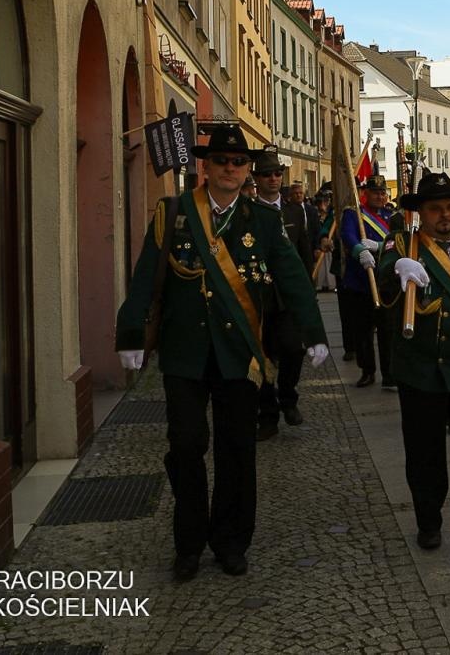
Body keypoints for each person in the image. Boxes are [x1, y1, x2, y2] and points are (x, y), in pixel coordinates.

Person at [115, 124, 330, 581]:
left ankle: (232, 541)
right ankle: (188, 543)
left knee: (237, 450)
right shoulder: (172, 214)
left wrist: (314, 332)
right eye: (221, 162)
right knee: (187, 446)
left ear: (247, 170)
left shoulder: (265, 221)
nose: (229, 169)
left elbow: (292, 278)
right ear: (205, 166)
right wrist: (131, 331)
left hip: (239, 355)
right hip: (185, 352)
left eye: (238, 163)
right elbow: (146, 273)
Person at [377, 170, 450, 550]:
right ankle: (428, 520)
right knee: (424, 453)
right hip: (419, 368)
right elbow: (384, 279)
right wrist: (396, 268)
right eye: (436, 209)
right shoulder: (404, 243)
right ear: (421, 212)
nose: (445, 215)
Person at [252, 150, 317, 440]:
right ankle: (267, 414)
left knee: (294, 349)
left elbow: (303, 252)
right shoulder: (247, 211)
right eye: (267, 174)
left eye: (278, 173)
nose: (274, 179)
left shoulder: (293, 211)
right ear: (257, 179)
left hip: (289, 295)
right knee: (264, 356)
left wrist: (308, 292)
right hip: (261, 296)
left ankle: (288, 398)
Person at [339, 175, 394, 387]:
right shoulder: (354, 215)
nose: (380, 196)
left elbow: (397, 241)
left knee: (387, 331)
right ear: (365, 194)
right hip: (360, 282)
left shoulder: (391, 216)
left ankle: (389, 375)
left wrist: (380, 247)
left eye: (382, 193)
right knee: (362, 331)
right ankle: (367, 371)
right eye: (375, 192)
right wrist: (359, 250)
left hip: (385, 282)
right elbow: (348, 235)